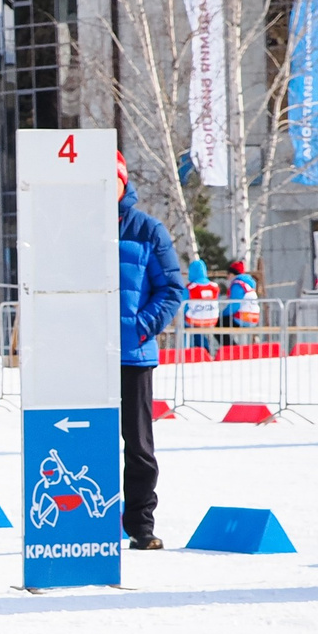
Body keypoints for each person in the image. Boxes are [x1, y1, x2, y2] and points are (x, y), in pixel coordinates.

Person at [117, 151, 186, 550]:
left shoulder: (148, 230)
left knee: (139, 446)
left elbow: (172, 289)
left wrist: (139, 328)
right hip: (85, 357)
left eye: (116, 181)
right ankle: (90, 519)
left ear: (124, 184)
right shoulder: (75, 227)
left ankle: (141, 524)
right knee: (88, 441)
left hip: (133, 356)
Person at [183, 256, 219, 353]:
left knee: (184, 324)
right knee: (199, 329)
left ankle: (187, 349)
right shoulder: (214, 287)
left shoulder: (190, 288)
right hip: (212, 320)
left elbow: (183, 306)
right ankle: (205, 349)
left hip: (194, 320)